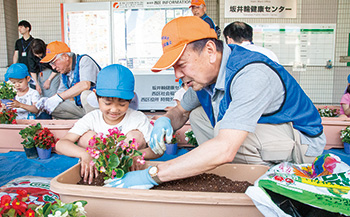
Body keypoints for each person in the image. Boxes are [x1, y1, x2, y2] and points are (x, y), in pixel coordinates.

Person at [105, 16, 326, 189]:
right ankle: (226, 168)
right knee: (200, 114)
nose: (177, 75)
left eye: (181, 64)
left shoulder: (251, 74)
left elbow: (225, 146)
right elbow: (180, 112)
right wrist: (164, 121)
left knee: (224, 132)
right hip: (272, 137)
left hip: (302, 143)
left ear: (210, 50)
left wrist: (153, 175)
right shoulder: (205, 79)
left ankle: (268, 179)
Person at [56, 64, 154, 184]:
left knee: (135, 136)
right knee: (88, 137)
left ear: (131, 98)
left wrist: (137, 154)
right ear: (96, 96)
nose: (114, 110)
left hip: (131, 170)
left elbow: (157, 150)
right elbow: (61, 144)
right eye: (107, 103)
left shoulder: (137, 118)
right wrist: (84, 154)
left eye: (122, 104)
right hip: (97, 170)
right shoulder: (92, 118)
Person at [36, 41, 100, 119]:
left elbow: (85, 85)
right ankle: (82, 123)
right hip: (81, 108)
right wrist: (47, 101)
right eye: (50, 64)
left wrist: (59, 97)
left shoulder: (84, 60)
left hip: (100, 108)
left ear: (65, 57)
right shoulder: (64, 73)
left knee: (86, 95)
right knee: (51, 108)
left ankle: (95, 123)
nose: (53, 67)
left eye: (53, 63)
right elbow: (60, 93)